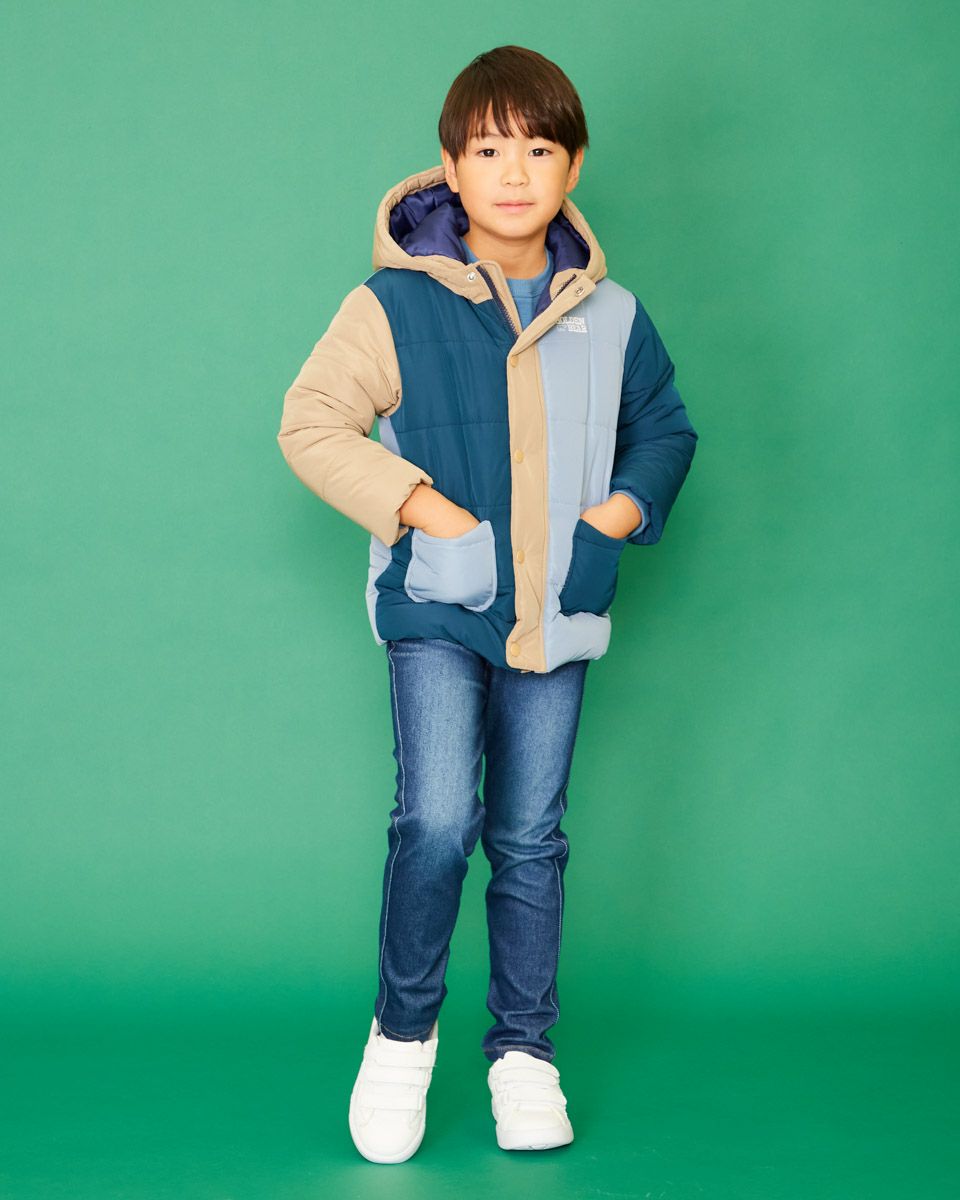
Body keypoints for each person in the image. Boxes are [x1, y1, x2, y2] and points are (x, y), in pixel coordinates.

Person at [276, 44, 699, 1164]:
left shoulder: (613, 315)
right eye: (489, 149)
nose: (515, 172)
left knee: (528, 837)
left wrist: (612, 520)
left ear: (574, 166)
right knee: (435, 821)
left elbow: (665, 430)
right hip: (438, 602)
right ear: (450, 168)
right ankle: (401, 1039)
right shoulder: (390, 304)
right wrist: (428, 511)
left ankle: (524, 1055)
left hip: (556, 608)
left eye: (540, 149)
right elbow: (312, 424)